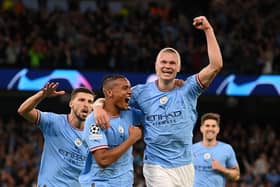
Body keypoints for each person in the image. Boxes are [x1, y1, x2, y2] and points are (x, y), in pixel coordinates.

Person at [93, 16, 223, 187]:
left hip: (185, 165)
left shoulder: (189, 89)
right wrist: (97, 106)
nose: (167, 66)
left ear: (178, 67)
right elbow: (112, 99)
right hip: (156, 164)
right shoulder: (140, 93)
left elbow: (215, 65)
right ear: (156, 65)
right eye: (163, 62)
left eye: (172, 63)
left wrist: (208, 30)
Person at [17, 82, 95, 187]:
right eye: (81, 100)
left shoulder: (95, 135)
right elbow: (23, 111)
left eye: (90, 102)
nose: (86, 104)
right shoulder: (54, 122)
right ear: (71, 103)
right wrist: (42, 95)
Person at [79, 74, 143, 187]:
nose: (130, 92)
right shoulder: (95, 120)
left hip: (125, 183)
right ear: (109, 93)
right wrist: (131, 139)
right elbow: (103, 160)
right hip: (100, 183)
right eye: (125, 88)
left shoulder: (130, 113)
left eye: (129, 88)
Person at [192, 112, 240, 186]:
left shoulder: (226, 149)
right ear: (201, 128)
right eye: (207, 126)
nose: (210, 128)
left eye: (213, 126)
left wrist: (222, 169)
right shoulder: (191, 149)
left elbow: (236, 176)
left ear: (218, 129)